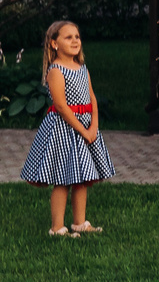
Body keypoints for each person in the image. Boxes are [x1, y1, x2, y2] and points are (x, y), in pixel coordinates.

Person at [21, 17, 113, 233]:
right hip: (64, 130)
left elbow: (92, 99)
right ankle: (57, 228)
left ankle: (80, 223)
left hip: (86, 129)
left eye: (77, 37)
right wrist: (82, 130)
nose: (75, 41)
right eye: (68, 37)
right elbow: (61, 107)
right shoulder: (56, 71)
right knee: (62, 179)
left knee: (82, 177)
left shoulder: (82, 68)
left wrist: (93, 129)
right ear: (54, 43)